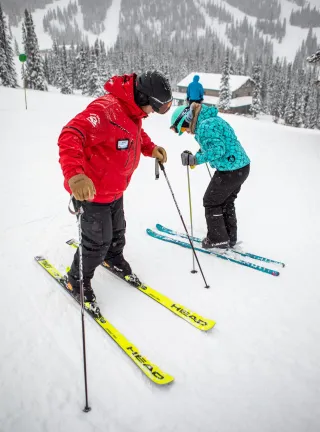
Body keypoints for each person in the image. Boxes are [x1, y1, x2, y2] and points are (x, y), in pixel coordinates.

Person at [58, 70, 173, 303]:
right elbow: (70, 135)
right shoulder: (105, 110)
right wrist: (76, 176)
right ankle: (76, 279)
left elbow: (135, 134)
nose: (153, 113)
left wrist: (150, 148)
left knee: (117, 232)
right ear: (142, 98)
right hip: (92, 195)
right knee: (96, 242)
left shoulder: (132, 113)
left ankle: (112, 257)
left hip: (115, 190)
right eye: (154, 107)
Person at [170, 103, 250, 249]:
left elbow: (218, 150)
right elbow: (209, 146)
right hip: (240, 168)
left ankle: (218, 239)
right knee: (225, 202)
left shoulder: (205, 125)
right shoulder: (208, 121)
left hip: (230, 170)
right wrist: (195, 157)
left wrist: (196, 159)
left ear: (186, 119)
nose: (186, 132)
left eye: (183, 128)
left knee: (211, 201)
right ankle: (229, 238)